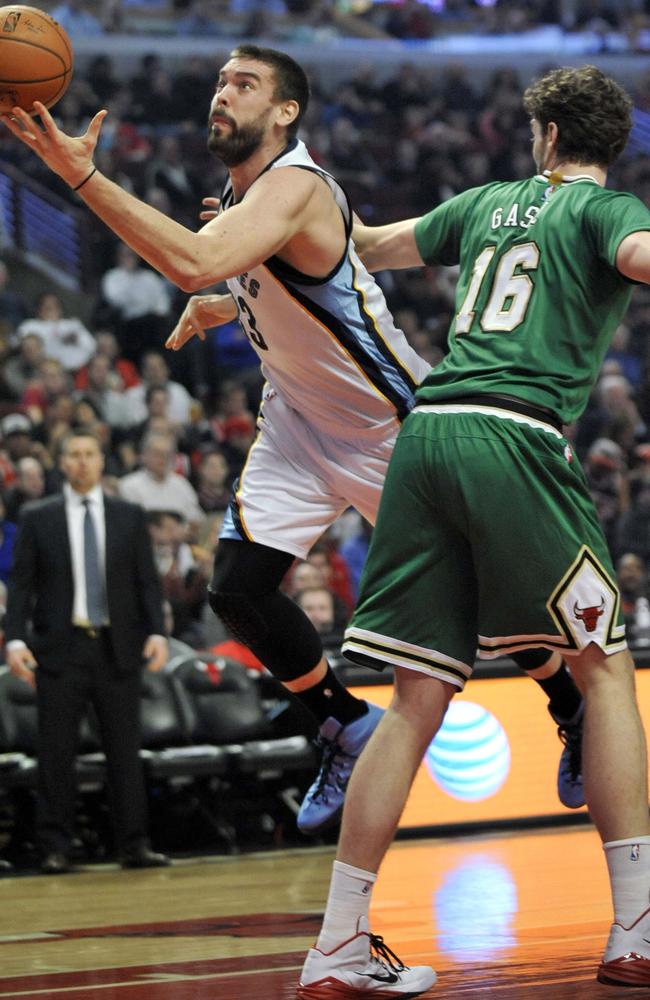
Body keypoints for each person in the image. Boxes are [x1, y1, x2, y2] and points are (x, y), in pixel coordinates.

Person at [1, 45, 585, 841]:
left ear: (286, 112)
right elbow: (248, 275)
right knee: (238, 588)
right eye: (218, 81)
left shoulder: (298, 186)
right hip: (299, 424)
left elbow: (193, 261)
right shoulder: (244, 195)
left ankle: (572, 708)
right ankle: (343, 723)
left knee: (486, 602)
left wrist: (79, 175)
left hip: (388, 423)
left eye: (244, 85)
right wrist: (226, 306)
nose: (222, 94)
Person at [297, 65, 650, 995]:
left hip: (427, 438)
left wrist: (288, 200)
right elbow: (641, 254)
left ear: (544, 136)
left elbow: (361, 245)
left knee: (415, 699)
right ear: (608, 147)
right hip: (516, 436)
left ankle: (336, 943)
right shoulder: (602, 213)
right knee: (605, 667)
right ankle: (636, 932)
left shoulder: (488, 202)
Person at [4, 429, 170, 875]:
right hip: (60, 649)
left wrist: (157, 632)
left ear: (102, 461)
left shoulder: (129, 516)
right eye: (73, 455)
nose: (81, 462)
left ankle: (134, 845)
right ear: (62, 463)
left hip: (117, 648)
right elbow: (20, 585)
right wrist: (14, 639)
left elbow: (146, 584)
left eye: (89, 454)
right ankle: (54, 846)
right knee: (56, 754)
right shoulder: (39, 517)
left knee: (124, 751)